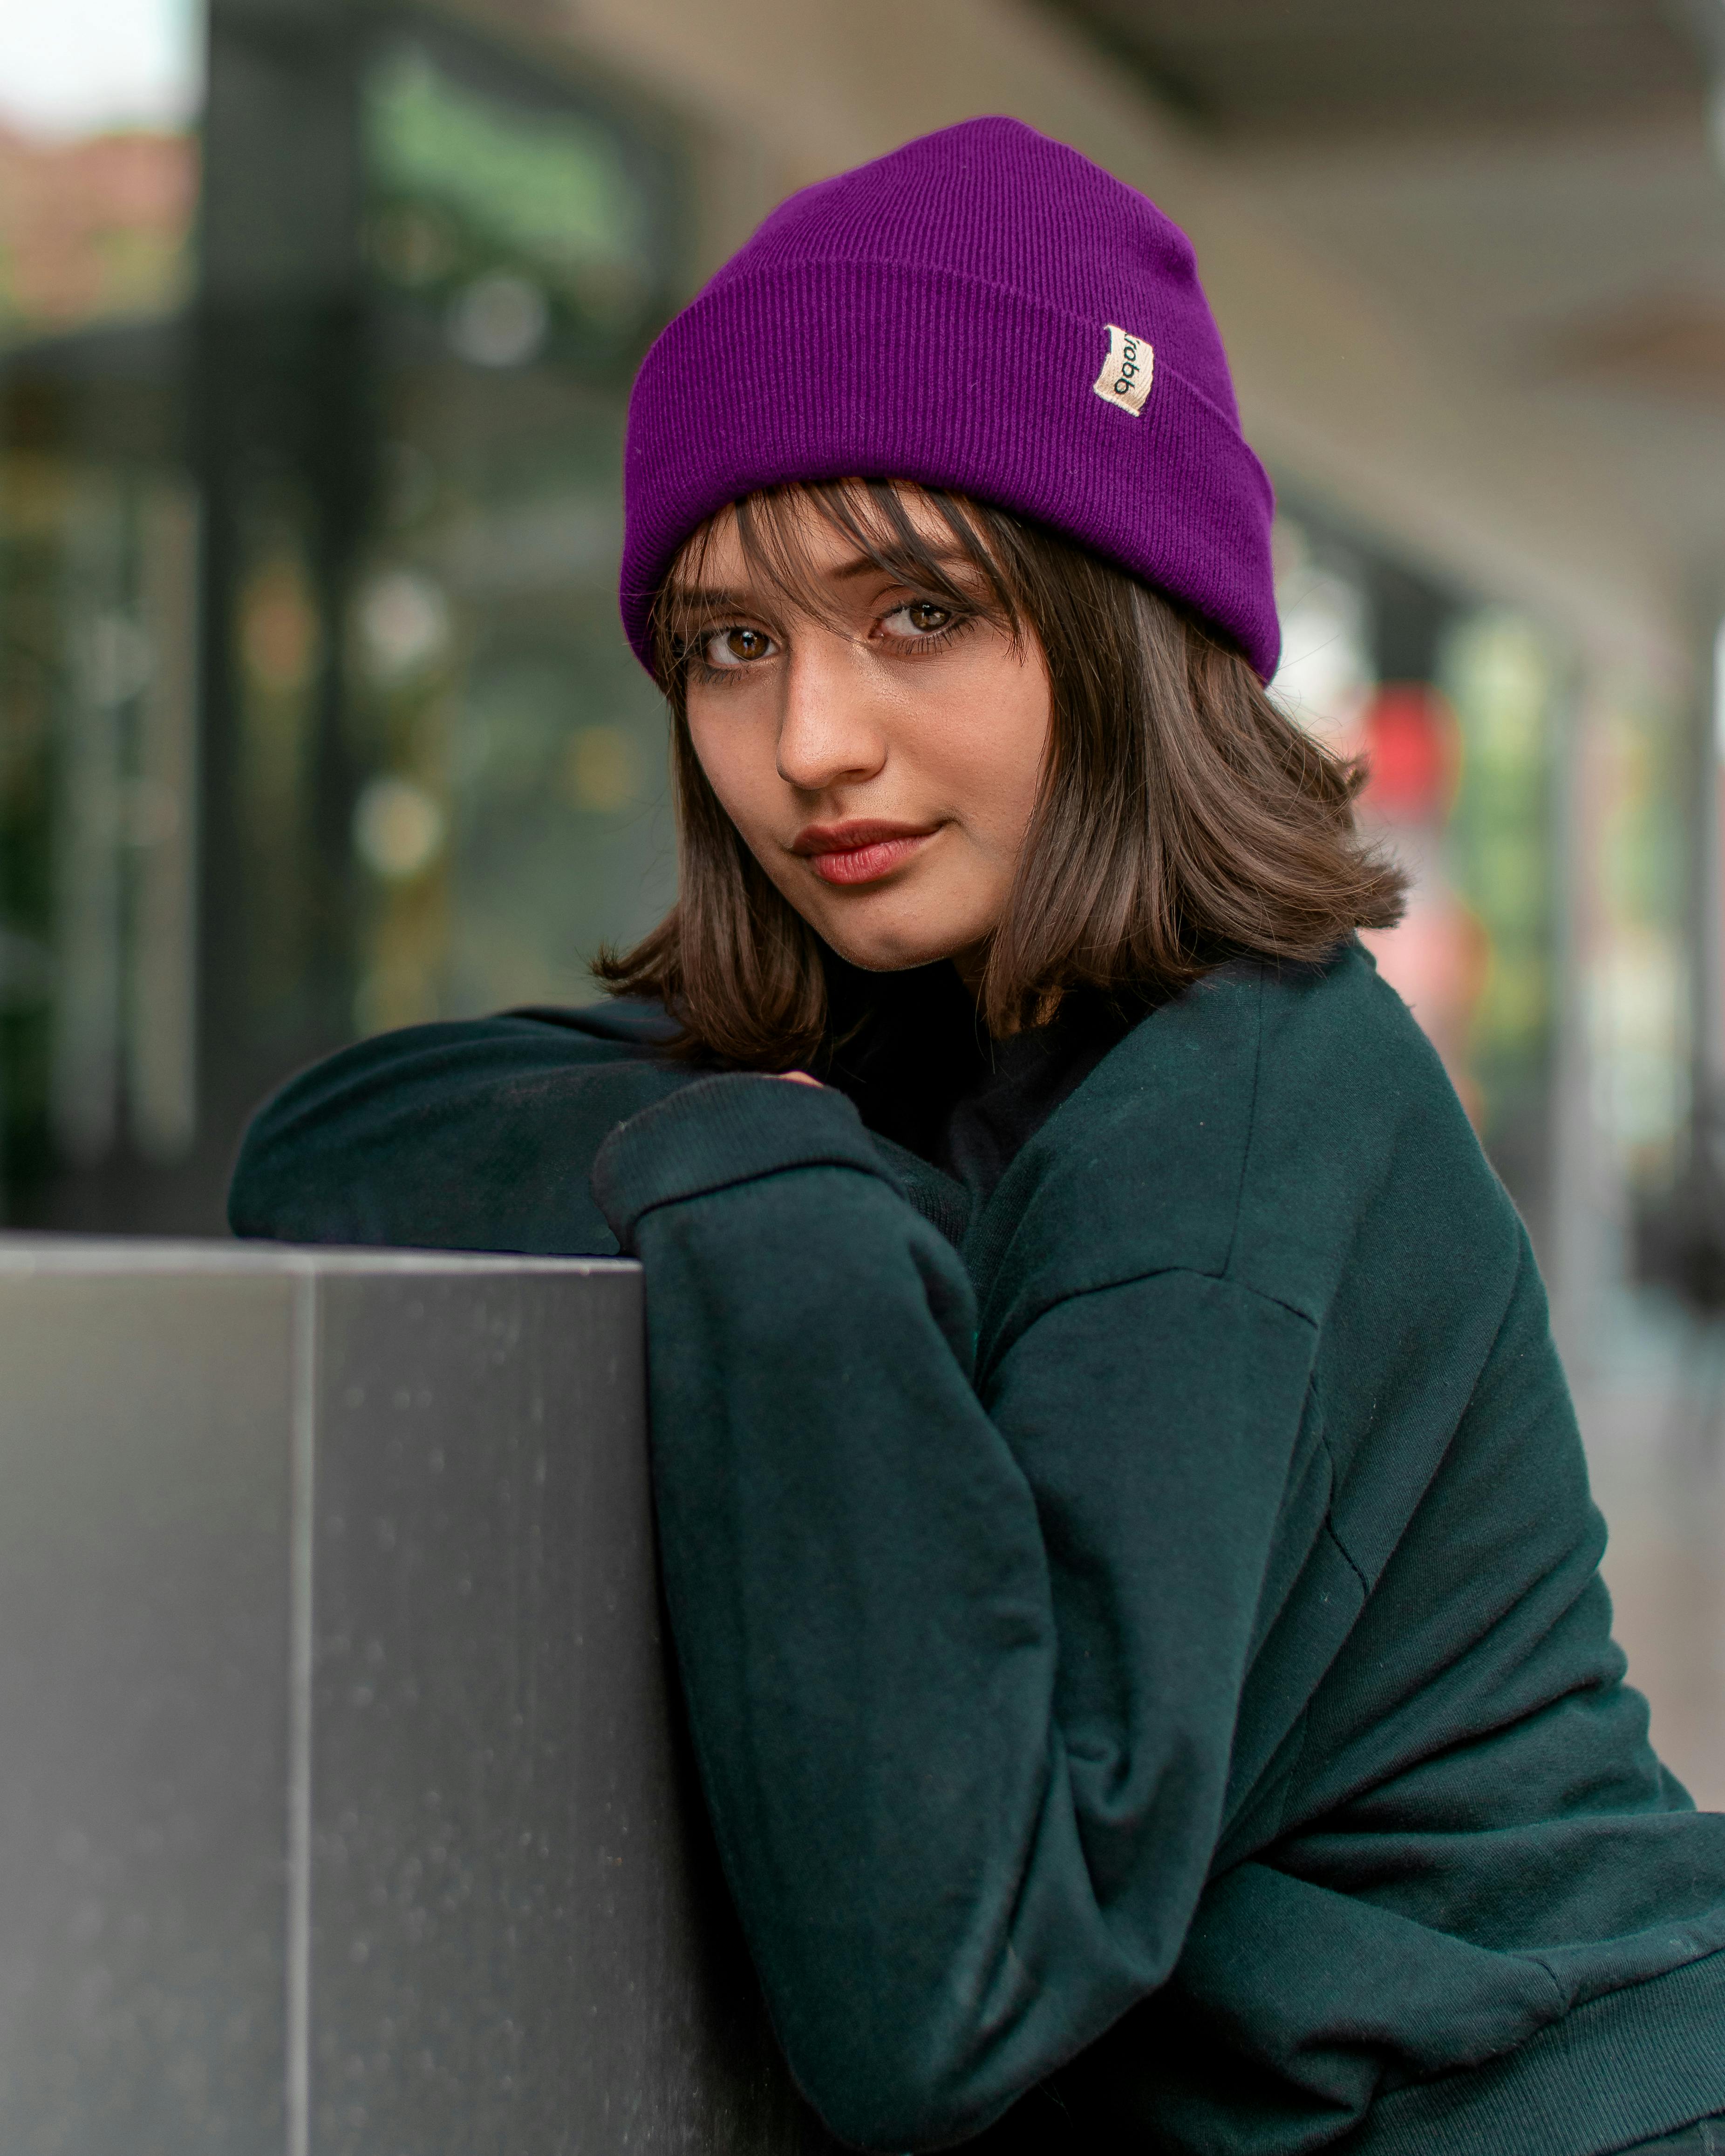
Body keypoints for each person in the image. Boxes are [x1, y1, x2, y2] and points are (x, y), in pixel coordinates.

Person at [230, 118, 1725, 2154]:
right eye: (728, 644)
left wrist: (782, 1213)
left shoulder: (1232, 1105)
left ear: (1114, 628)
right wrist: (754, 1165)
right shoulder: (905, 1035)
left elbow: (950, 1992)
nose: (807, 745)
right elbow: (334, 1147)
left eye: (916, 613)